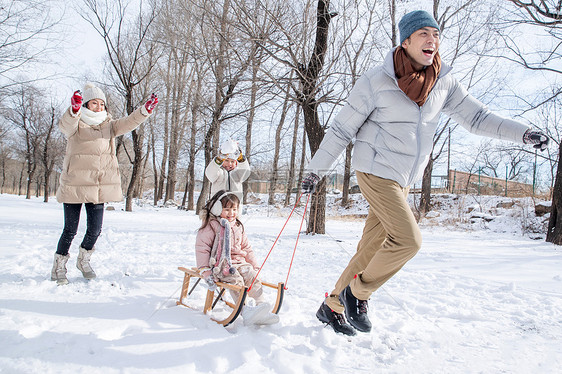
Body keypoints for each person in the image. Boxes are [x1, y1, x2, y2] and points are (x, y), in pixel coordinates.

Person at [301, 10, 549, 336]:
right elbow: (342, 129)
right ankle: (356, 294)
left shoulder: (443, 82)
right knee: (408, 240)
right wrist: (316, 171)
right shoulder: (377, 80)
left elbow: (478, 118)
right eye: (423, 34)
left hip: (403, 179)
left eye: (435, 34)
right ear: (405, 41)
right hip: (375, 170)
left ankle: (332, 306)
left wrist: (522, 133)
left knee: (371, 248)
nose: (432, 41)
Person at [51, 83, 159, 285]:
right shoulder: (76, 124)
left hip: (98, 186)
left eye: (102, 103)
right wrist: (73, 110)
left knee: (95, 230)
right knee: (70, 230)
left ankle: (83, 261)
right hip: (75, 185)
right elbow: (65, 126)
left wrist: (145, 110)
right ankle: (58, 265)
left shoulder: (109, 125)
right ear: (85, 104)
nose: (99, 107)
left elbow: (129, 122)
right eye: (94, 103)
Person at [195, 190, 279, 326]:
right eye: (227, 209)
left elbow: (246, 248)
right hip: (221, 265)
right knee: (236, 282)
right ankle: (245, 310)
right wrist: (206, 271)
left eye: (234, 209)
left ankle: (261, 305)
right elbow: (202, 248)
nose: (231, 213)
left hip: (240, 263)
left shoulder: (238, 226)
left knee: (251, 276)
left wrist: (254, 265)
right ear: (217, 208)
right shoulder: (212, 225)